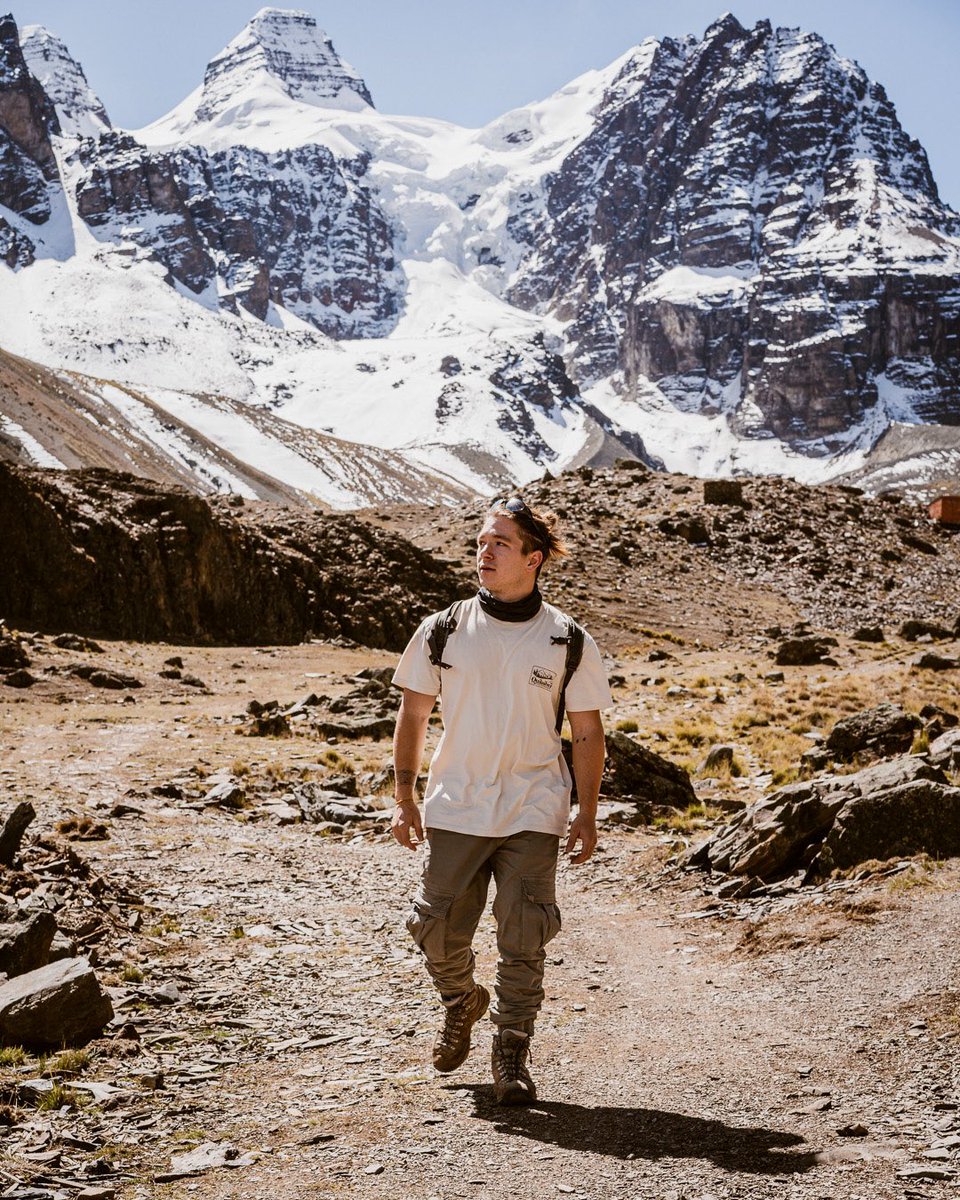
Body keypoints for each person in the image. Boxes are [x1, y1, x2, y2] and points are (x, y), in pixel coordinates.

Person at [391, 495, 611, 1105]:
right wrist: (404, 795)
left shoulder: (568, 639)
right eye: (481, 541)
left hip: (534, 807)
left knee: (524, 935)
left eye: (500, 544)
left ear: (534, 559)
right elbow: (412, 712)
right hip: (457, 804)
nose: (483, 552)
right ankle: (461, 998)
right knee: (434, 928)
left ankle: (511, 1049)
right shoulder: (443, 629)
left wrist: (586, 812)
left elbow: (588, 732)